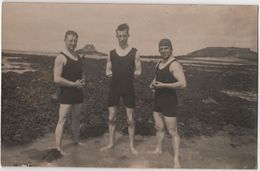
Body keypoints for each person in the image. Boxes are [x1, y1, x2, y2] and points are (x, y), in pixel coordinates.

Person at [100, 23, 141, 155]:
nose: (122, 38)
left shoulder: (135, 52)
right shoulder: (111, 53)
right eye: (119, 36)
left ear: (128, 35)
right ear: (116, 36)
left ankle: (131, 146)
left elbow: (139, 70)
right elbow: (107, 70)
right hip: (114, 87)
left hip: (128, 87)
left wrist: (132, 74)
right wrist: (109, 73)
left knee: (130, 119)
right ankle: (111, 143)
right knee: (111, 118)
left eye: (124, 35)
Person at [149, 38, 186, 168]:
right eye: (161, 49)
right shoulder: (158, 64)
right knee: (158, 127)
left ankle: (176, 159)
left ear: (171, 49)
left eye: (166, 48)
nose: (163, 51)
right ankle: (158, 149)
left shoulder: (175, 64)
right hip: (158, 100)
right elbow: (156, 79)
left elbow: (183, 83)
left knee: (172, 131)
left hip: (169, 102)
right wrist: (152, 84)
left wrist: (164, 85)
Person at [53, 30, 84, 154]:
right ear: (65, 40)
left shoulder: (78, 57)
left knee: (76, 118)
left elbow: (82, 73)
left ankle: (76, 141)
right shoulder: (61, 57)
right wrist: (73, 84)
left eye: (75, 40)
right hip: (66, 93)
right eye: (70, 40)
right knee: (63, 120)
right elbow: (56, 79)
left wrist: (82, 81)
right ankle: (58, 148)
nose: (73, 43)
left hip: (78, 92)